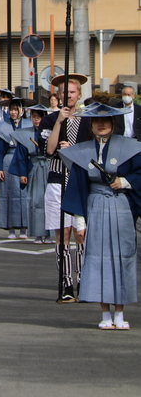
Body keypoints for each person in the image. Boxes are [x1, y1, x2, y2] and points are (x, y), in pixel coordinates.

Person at [61, 104, 141, 330]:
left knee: (123, 256)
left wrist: (125, 181)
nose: (101, 124)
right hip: (95, 205)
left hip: (121, 205)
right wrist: (80, 221)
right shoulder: (83, 150)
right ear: (91, 126)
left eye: (106, 121)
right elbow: (77, 186)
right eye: (96, 122)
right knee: (97, 259)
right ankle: (105, 313)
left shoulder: (130, 147)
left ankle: (120, 313)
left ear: (114, 124)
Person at [38, 74, 92, 302]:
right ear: (58, 95)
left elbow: (92, 153)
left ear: (79, 94)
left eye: (72, 92)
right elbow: (47, 151)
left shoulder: (88, 120)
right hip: (57, 178)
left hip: (80, 180)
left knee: (81, 233)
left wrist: (74, 149)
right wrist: (59, 121)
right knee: (63, 233)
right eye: (64, 92)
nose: (68, 96)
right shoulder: (49, 120)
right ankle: (66, 281)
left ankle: (83, 279)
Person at [0, 98, 32, 239]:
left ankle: (24, 228)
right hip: (8, 160)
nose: (13, 112)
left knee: (24, 194)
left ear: (21, 111)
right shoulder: (3, 126)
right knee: (8, 195)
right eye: (11, 109)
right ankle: (11, 228)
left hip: (23, 160)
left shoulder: (28, 124)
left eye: (15, 109)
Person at [9, 105, 51, 243]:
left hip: (49, 167)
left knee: (50, 201)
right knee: (35, 200)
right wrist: (23, 173)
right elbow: (21, 156)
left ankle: (50, 234)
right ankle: (38, 234)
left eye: (39, 117)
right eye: (34, 117)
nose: (36, 120)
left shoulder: (51, 132)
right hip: (34, 168)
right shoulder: (25, 133)